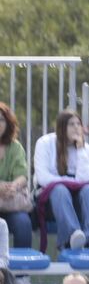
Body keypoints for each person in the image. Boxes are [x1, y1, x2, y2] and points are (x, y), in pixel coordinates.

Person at [33, 110, 89, 251]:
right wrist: (69, 182)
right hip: (51, 201)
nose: (76, 127)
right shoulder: (44, 143)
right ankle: (71, 238)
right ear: (61, 127)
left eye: (78, 124)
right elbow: (43, 178)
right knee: (60, 189)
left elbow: (85, 179)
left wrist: (80, 150)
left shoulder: (87, 150)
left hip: (78, 202)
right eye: (71, 124)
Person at [0, 102, 33, 251]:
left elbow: (22, 176)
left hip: (11, 203)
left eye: (1, 119)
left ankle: (22, 273)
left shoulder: (15, 147)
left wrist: (14, 186)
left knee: (23, 223)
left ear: (7, 123)